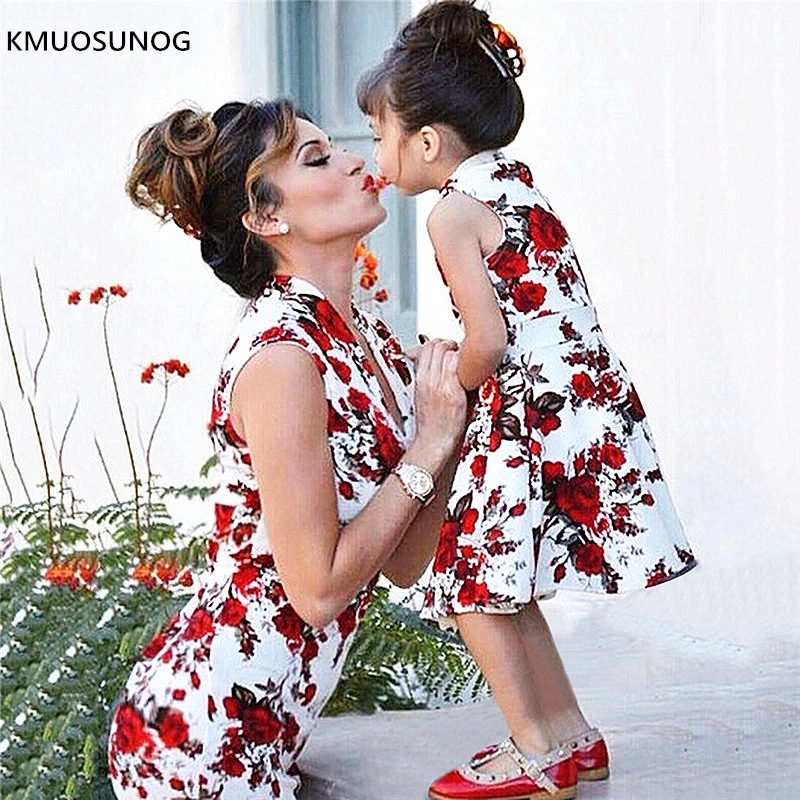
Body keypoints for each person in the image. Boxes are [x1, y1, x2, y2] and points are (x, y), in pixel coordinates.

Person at [358, 2, 698, 798]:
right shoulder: (516, 183)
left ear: (428, 142)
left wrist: (446, 385)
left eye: (380, 135)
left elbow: (488, 340)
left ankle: (536, 750)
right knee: (504, 584)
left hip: (526, 419)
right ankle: (573, 735)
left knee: (472, 584)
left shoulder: (451, 212)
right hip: (582, 403)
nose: (376, 154)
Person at [106, 99, 467, 799]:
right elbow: (319, 589)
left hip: (264, 732)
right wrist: (431, 443)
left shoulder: (358, 332)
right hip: (202, 742)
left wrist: (447, 429)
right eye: (319, 158)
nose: (358, 159)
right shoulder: (280, 355)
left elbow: (403, 560)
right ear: (266, 218)